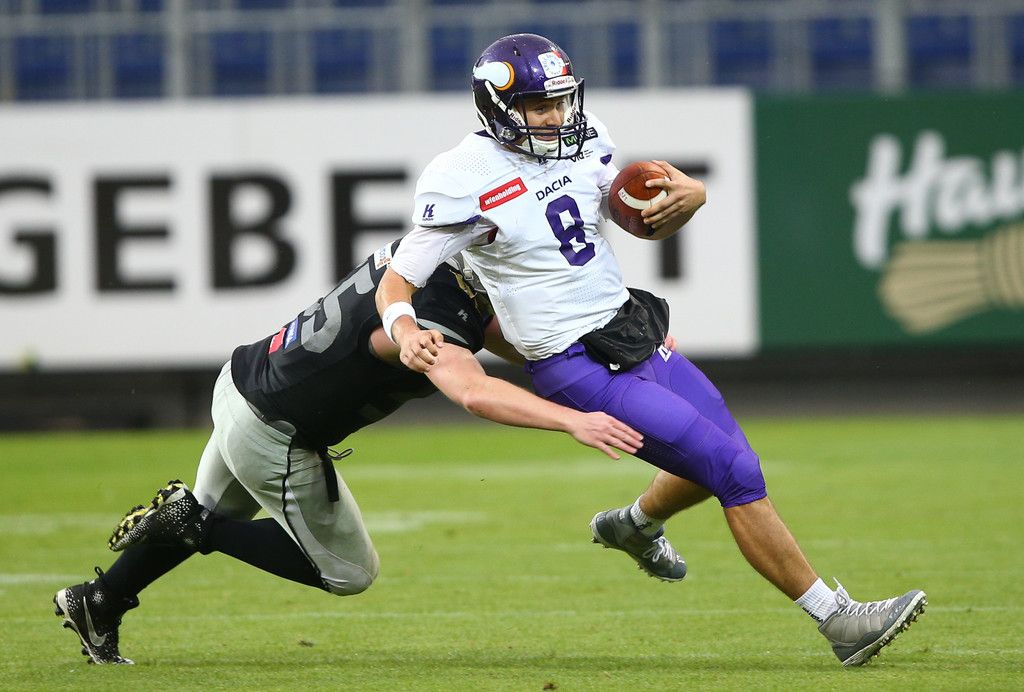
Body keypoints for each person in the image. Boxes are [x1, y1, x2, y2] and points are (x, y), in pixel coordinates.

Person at [375, 33, 926, 667]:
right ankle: (838, 620)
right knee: (734, 470)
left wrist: (689, 199)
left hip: (628, 329)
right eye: (538, 106)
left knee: (722, 458)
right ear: (497, 106)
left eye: (560, 102)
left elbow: (635, 216)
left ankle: (633, 525)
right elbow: (398, 281)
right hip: (574, 364)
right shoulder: (463, 177)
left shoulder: (586, 139)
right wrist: (405, 329)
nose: (555, 117)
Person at [53, 238, 643, 665]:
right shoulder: (438, 315)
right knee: (348, 573)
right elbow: (472, 390)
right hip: (274, 428)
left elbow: (496, 334)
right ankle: (192, 526)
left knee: (217, 508)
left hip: (244, 380)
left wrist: (594, 360)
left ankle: (99, 601)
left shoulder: (424, 258)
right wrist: (574, 419)